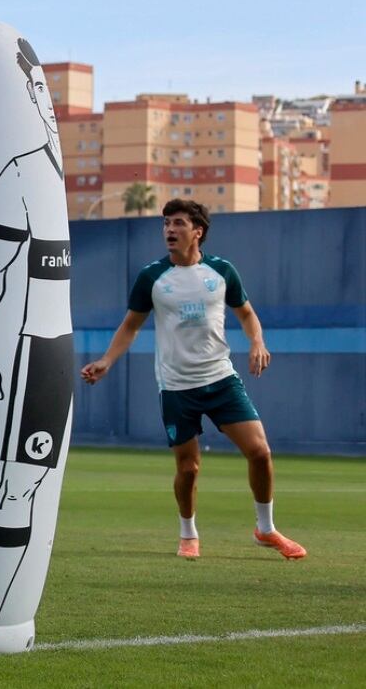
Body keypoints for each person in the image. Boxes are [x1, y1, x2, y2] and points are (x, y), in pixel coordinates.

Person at [81, 199, 306, 561]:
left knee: (260, 452)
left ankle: (265, 529)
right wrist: (107, 360)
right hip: (176, 387)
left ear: (197, 231)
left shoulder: (222, 272)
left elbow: (247, 314)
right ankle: (188, 534)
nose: (170, 230)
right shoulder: (151, 277)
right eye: (166, 223)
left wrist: (257, 341)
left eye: (179, 223)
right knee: (189, 468)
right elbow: (130, 326)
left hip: (221, 380)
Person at [0, 38, 75, 620]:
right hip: (19, 352)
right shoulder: (19, 174)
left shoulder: (54, 185)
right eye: (34, 93)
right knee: (9, 489)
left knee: (23, 486)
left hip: (52, 353)